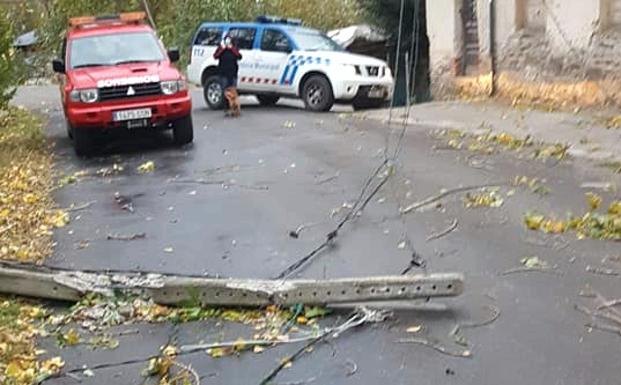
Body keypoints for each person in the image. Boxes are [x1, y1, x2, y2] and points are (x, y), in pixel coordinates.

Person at [213, 35, 242, 117]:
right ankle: (226, 109)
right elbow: (215, 56)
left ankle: (235, 109)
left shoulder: (234, 48)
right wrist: (223, 48)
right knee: (225, 92)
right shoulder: (221, 48)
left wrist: (231, 48)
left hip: (233, 73)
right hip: (223, 73)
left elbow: (239, 56)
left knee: (234, 93)